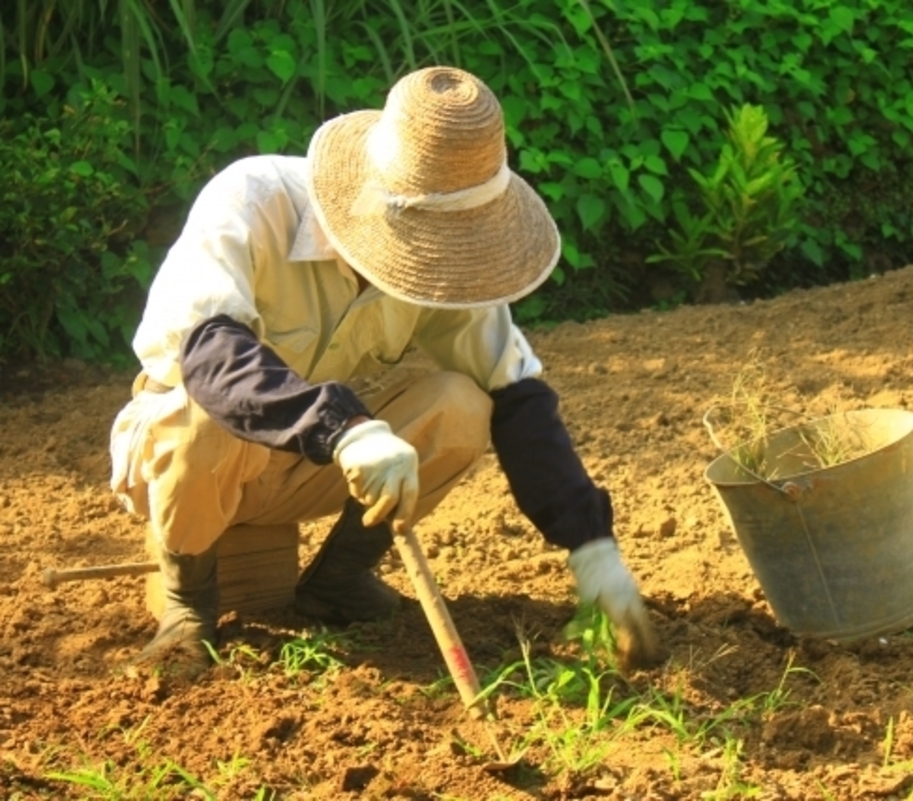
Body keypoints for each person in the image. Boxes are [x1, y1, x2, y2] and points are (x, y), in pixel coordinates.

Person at [108, 65, 662, 675]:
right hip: (183, 464)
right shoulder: (254, 200)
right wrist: (342, 428)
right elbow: (208, 356)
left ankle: (337, 580)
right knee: (203, 412)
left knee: (461, 403)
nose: (437, 258)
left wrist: (590, 546)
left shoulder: (445, 267)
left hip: (305, 468)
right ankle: (189, 607)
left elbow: (516, 391)